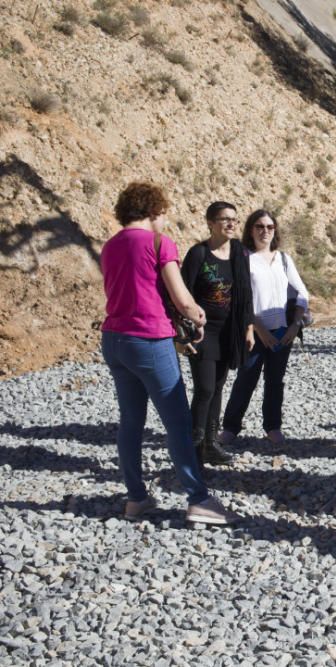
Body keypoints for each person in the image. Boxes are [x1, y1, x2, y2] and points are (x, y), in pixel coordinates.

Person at [100, 182, 237, 525]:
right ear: (154, 211)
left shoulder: (110, 246)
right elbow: (183, 299)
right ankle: (199, 498)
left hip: (115, 339)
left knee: (131, 420)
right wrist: (198, 318)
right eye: (163, 215)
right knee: (177, 422)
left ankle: (136, 498)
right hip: (149, 340)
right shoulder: (160, 243)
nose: (164, 221)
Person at [218, 210, 309, 447]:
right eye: (260, 226)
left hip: (282, 331)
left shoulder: (284, 259)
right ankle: (230, 427)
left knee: (275, 380)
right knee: (246, 378)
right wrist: (259, 330)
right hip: (253, 331)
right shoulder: (243, 258)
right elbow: (238, 298)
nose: (265, 231)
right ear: (250, 229)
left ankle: (272, 426)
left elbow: (302, 294)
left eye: (270, 227)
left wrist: (295, 325)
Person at [180, 202, 254, 466]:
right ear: (210, 223)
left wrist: (248, 328)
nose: (231, 224)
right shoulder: (198, 254)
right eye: (225, 219)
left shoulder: (239, 253)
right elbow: (182, 293)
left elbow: (246, 295)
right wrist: (185, 329)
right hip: (202, 333)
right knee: (205, 388)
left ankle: (210, 445)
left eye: (234, 219)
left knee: (219, 386)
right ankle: (194, 446)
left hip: (228, 332)